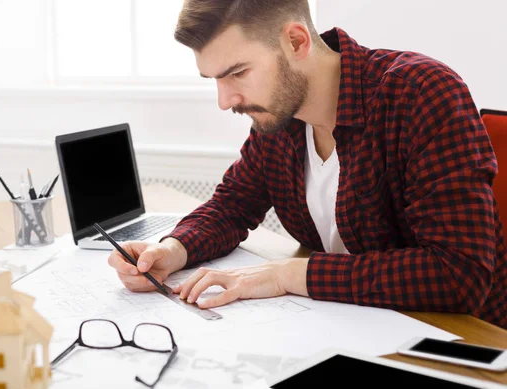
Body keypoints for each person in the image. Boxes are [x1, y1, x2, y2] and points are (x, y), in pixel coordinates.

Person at [107, 0, 507, 329]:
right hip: (353, 325)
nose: (224, 100)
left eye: (239, 73)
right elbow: (232, 205)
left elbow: (459, 273)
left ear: (296, 41)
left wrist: (288, 275)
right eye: (213, 79)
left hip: (465, 338)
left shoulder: (420, 92)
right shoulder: (279, 119)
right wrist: (175, 249)